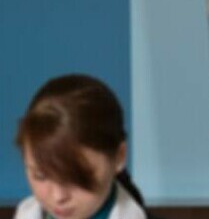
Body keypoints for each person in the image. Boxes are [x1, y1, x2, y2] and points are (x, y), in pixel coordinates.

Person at [14, 74, 148, 219]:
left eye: (77, 177)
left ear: (119, 157)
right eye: (40, 176)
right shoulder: (27, 213)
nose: (58, 197)